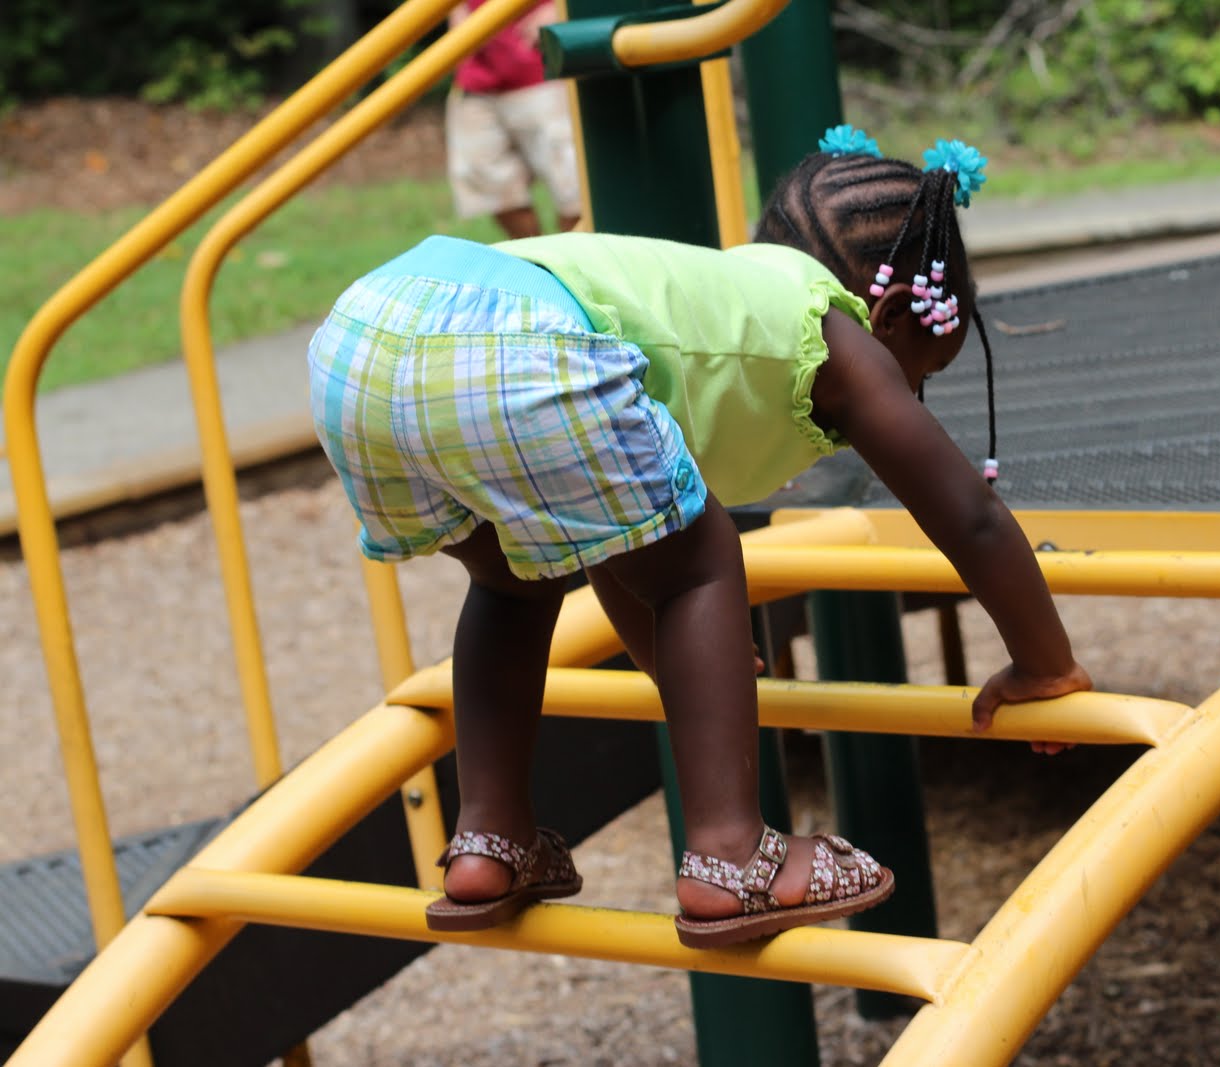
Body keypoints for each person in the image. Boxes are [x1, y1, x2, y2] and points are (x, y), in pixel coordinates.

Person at [306, 125, 1093, 948]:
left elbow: (613, 528)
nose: (910, 399)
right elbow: (970, 515)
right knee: (704, 564)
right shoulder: (833, 330)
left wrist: (680, 659)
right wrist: (1045, 663)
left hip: (367, 332)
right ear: (892, 315)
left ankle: (487, 842)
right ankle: (732, 855)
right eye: (923, 373)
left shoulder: (712, 296)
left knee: (511, 580)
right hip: (518, 339)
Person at [445, 0, 582, 239]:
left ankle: (572, 255)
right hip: (476, 78)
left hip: (544, 67)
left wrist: (562, 7)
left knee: (575, 192)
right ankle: (533, 256)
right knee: (493, 188)